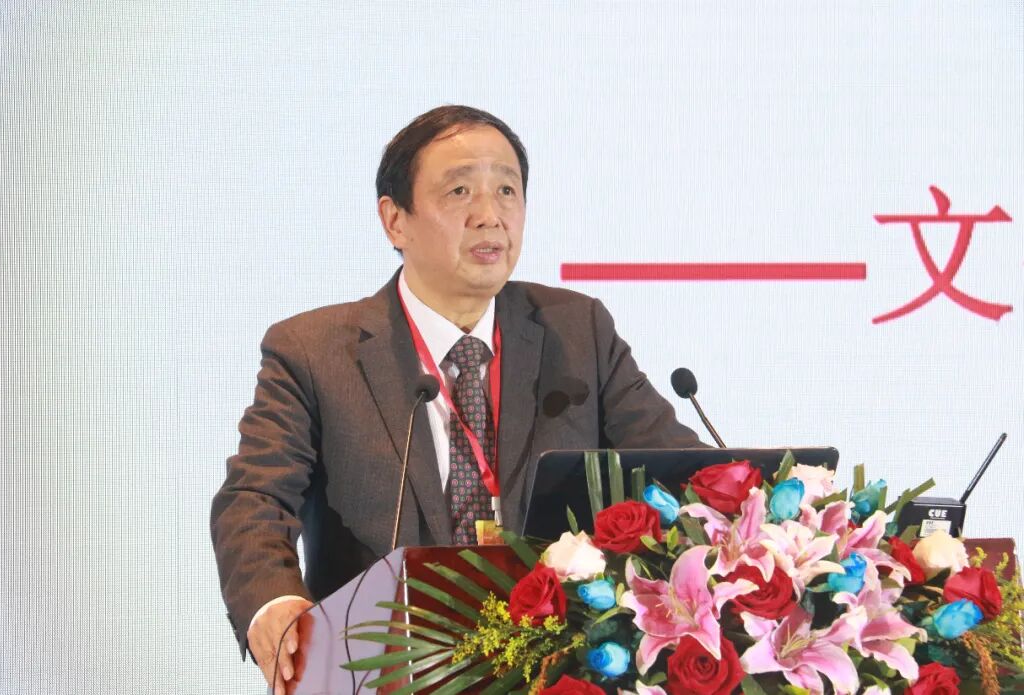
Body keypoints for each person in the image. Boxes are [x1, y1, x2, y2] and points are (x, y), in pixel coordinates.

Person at [210, 105, 701, 693]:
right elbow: (255, 498)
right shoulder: (314, 351)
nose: (490, 215)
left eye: (507, 191)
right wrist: (275, 604)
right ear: (395, 221)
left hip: (555, 669)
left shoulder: (578, 331)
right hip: (381, 670)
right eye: (460, 190)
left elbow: (680, 474)